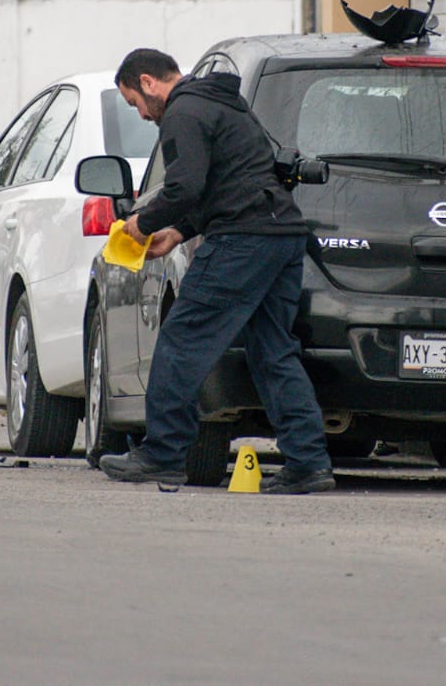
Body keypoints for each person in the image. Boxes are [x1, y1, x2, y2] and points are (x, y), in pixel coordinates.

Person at [98, 48, 334, 494]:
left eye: (136, 103)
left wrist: (143, 223)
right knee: (273, 352)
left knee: (180, 342)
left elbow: (186, 185)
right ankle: (308, 463)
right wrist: (179, 230)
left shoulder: (182, 112)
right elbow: (227, 179)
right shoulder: (223, 102)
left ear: (148, 82)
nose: (143, 115)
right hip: (281, 236)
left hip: (241, 241)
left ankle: (163, 454)